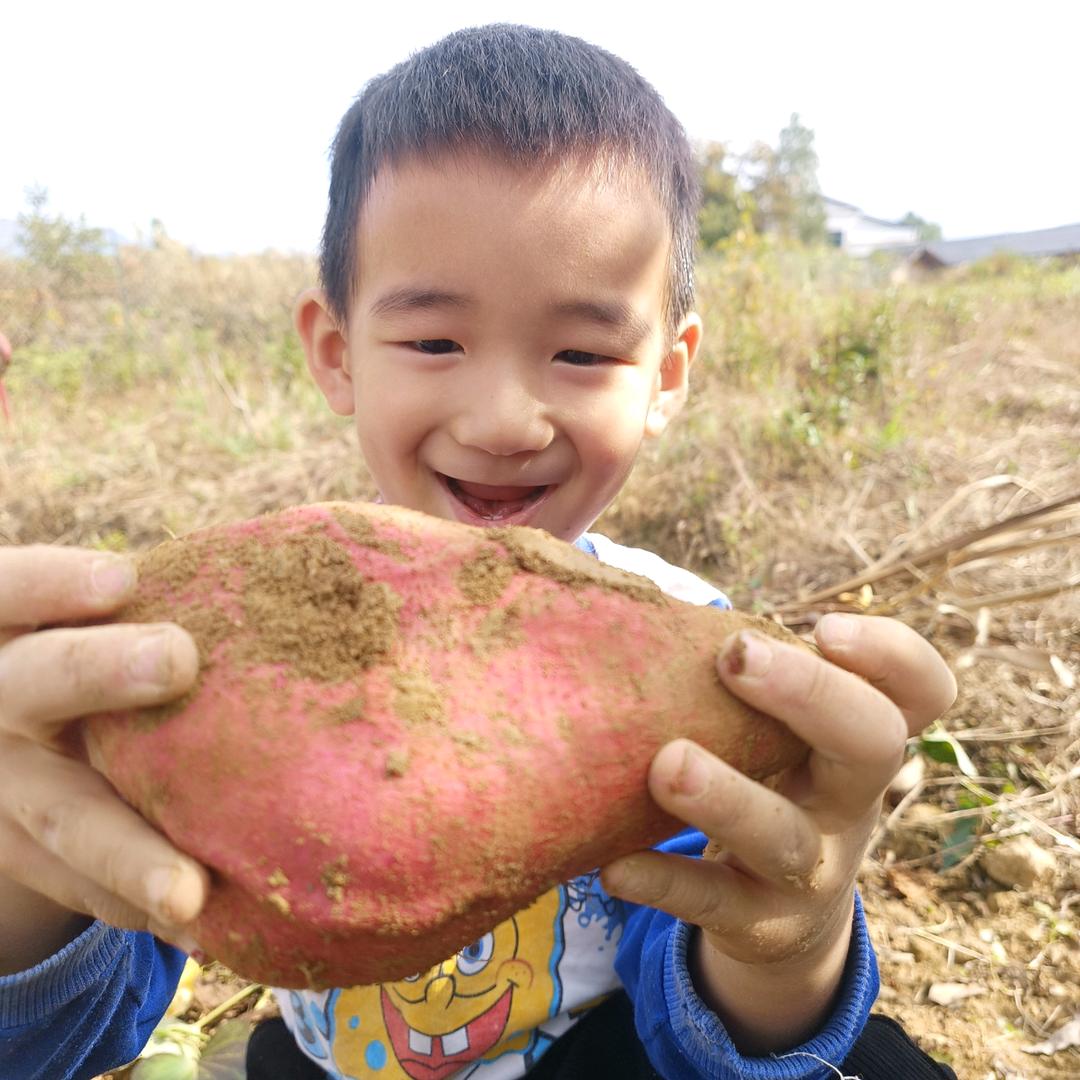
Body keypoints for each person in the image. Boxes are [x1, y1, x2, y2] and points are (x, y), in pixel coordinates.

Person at [0, 25, 959, 1080]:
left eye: (584, 352)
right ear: (337, 352)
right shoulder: (212, 637)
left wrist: (794, 939)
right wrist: (27, 877)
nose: (505, 419)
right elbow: (62, 1042)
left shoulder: (702, 668)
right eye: (434, 341)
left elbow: (703, 1035)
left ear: (668, 374)